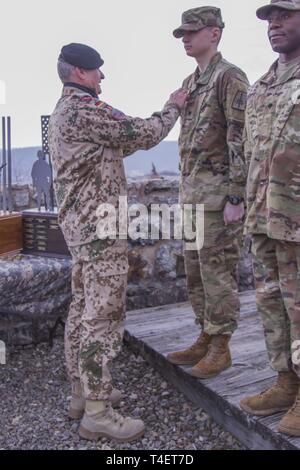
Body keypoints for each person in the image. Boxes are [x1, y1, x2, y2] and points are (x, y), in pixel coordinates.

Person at [48, 42, 187, 442]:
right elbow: (141, 133)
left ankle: (82, 392)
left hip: (81, 228)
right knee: (103, 316)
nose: (102, 77)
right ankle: (98, 414)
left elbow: (118, 144)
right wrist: (172, 105)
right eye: (97, 71)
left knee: (82, 309)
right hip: (99, 228)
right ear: (79, 73)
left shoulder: (65, 112)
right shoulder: (85, 109)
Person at [167, 7, 249, 379]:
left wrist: (236, 196)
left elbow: (240, 138)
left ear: (214, 34)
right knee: (195, 273)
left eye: (192, 32)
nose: (185, 38)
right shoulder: (191, 82)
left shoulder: (229, 78)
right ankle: (205, 333)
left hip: (218, 199)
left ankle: (221, 346)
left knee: (217, 273)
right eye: (182, 32)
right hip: (193, 196)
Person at [240, 0, 300, 437]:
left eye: (285, 16)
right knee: (271, 303)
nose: (274, 25)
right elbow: (251, 151)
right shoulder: (262, 85)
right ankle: (285, 380)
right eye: (268, 19)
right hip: (263, 215)